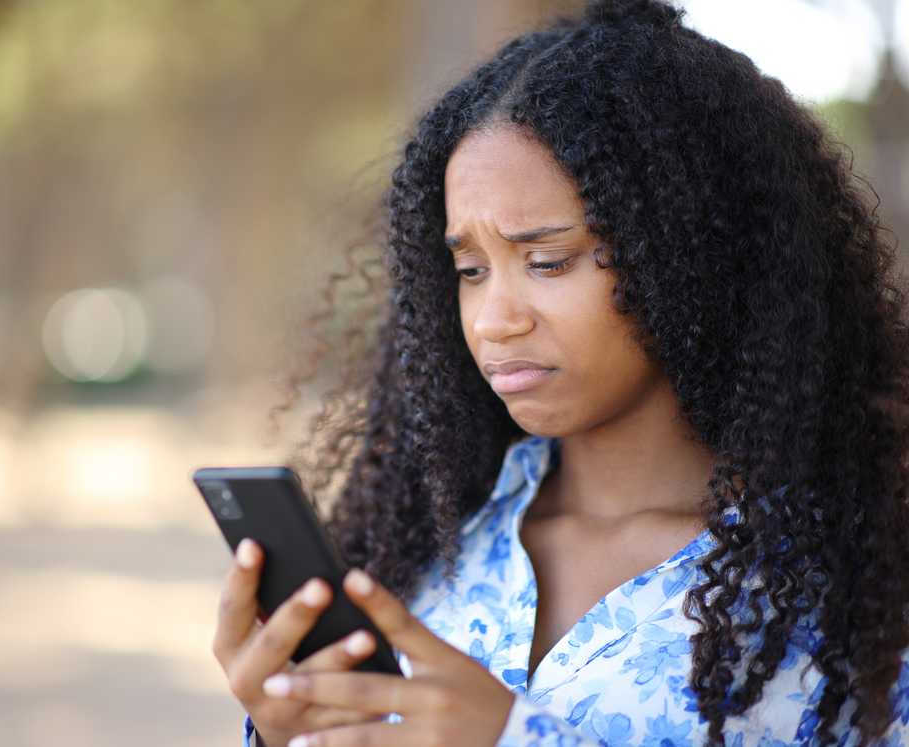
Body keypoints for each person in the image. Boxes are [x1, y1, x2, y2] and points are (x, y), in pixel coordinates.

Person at [211, 1, 909, 745]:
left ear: (687, 256)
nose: (492, 318)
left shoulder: (846, 593)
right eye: (470, 269)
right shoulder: (428, 542)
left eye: (548, 261)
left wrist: (516, 737)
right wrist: (291, 733)